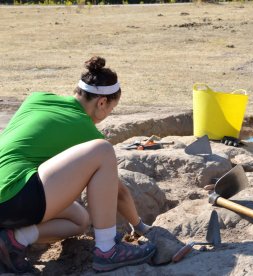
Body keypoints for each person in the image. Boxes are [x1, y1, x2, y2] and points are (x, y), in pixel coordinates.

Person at [0, 56, 156, 273]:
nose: (107, 116)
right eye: (110, 110)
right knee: (103, 150)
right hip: (10, 198)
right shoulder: (85, 130)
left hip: (9, 194)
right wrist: (140, 226)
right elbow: (117, 192)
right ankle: (107, 250)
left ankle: (13, 239)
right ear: (102, 103)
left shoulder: (37, 99)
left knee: (79, 220)